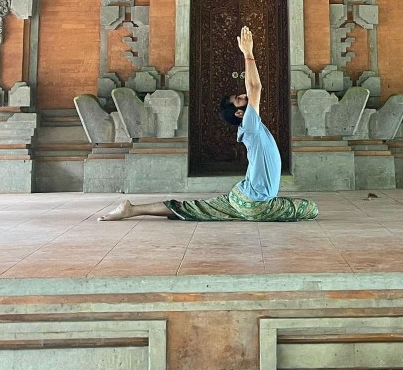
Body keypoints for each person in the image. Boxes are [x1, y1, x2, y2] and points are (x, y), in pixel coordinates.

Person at [98, 25, 318, 222]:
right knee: (310, 209)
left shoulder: (251, 126)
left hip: (240, 198)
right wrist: (248, 54)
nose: (243, 95)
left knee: (192, 208)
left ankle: (132, 209)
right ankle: (134, 210)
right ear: (240, 113)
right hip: (255, 205)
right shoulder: (250, 125)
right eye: (238, 100)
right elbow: (255, 88)